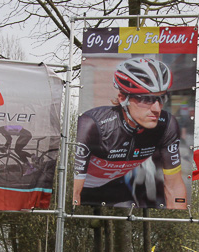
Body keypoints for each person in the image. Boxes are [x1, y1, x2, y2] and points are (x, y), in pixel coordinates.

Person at [73, 57, 187, 208]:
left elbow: (174, 188)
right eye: (146, 99)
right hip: (81, 189)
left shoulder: (166, 126)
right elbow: (73, 192)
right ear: (122, 98)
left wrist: (178, 223)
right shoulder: (92, 125)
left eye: (160, 98)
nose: (157, 109)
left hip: (114, 186)